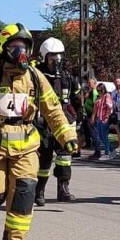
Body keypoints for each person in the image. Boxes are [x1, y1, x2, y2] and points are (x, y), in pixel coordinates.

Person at [0, 23, 77, 240]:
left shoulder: (35, 77)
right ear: (3, 49)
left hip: (26, 146)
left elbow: (53, 110)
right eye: (14, 47)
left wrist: (67, 136)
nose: (20, 52)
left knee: (25, 191)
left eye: (23, 47)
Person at [34, 37, 82, 205]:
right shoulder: (35, 75)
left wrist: (78, 116)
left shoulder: (67, 76)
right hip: (43, 124)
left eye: (59, 58)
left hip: (63, 122)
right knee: (44, 159)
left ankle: (63, 190)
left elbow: (76, 98)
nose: (56, 62)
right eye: (52, 59)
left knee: (65, 158)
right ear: (44, 57)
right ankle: (39, 192)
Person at [91, 83, 113, 159]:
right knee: (100, 136)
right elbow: (95, 108)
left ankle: (107, 152)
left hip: (104, 119)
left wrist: (107, 117)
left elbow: (109, 107)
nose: (99, 92)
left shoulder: (107, 96)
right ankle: (111, 149)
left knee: (104, 135)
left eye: (100, 90)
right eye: (98, 90)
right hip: (99, 118)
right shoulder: (98, 97)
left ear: (103, 89)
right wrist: (93, 117)